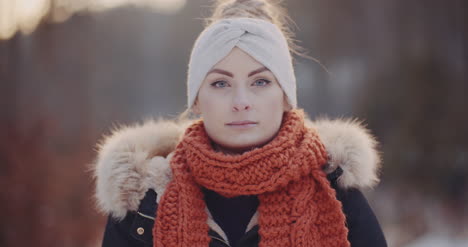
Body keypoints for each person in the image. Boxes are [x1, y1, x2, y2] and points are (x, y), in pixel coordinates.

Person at [93, 0, 388, 246]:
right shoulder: (144, 204)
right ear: (195, 99)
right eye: (221, 83)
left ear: (286, 96)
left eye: (260, 81)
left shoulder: (336, 193)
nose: (241, 101)